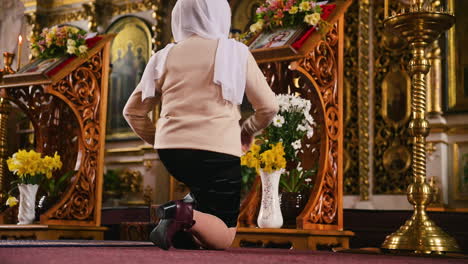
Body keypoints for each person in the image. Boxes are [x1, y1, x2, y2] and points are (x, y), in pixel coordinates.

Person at [123, 0, 278, 250]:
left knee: (204, 200)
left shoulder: (162, 56)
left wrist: (161, 138)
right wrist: (247, 130)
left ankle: (182, 226)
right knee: (225, 235)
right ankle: (180, 214)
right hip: (216, 153)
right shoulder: (235, 52)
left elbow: (132, 112)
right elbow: (269, 107)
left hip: (172, 155)